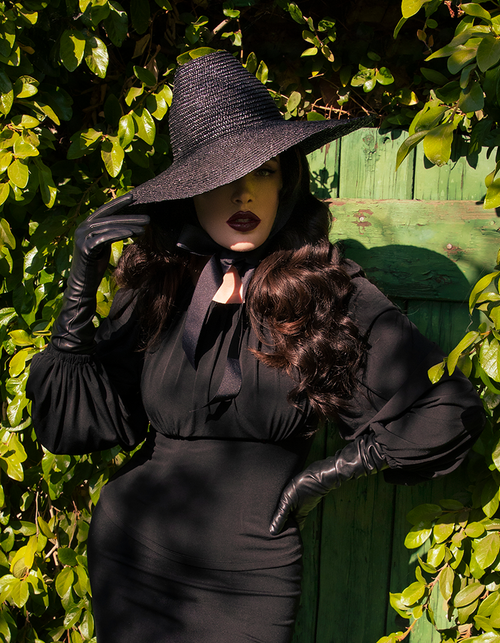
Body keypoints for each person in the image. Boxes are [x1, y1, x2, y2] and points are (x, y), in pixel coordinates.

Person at [26, 51, 485, 643]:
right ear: (191, 193)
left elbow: (447, 406)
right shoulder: (161, 284)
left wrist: (327, 474)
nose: (244, 192)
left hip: (253, 568)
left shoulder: (324, 290)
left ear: (286, 180)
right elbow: (74, 428)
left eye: (263, 170)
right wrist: (79, 290)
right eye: (222, 177)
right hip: (134, 546)